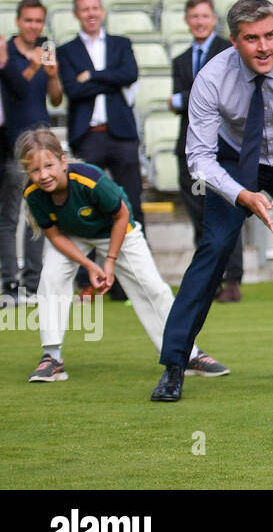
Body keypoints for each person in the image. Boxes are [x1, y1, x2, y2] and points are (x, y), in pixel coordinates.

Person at [152, 0, 273, 402]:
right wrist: (242, 194)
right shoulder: (211, 78)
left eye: (270, 35)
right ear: (234, 42)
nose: (264, 47)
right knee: (215, 249)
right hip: (237, 163)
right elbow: (199, 158)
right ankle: (174, 364)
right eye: (252, 38)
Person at [16, 127, 226, 383]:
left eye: (48, 165)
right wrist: (90, 267)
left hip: (118, 229)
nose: (43, 175)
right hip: (71, 235)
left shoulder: (90, 180)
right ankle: (52, 357)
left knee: (153, 287)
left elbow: (122, 215)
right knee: (50, 276)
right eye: (35, 170)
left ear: (62, 161)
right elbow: (55, 236)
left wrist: (109, 262)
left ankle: (186, 353)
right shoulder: (33, 193)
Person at [56, 0, 145, 233]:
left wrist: (92, 76)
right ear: (77, 14)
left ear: (102, 11)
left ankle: (137, 268)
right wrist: (112, 82)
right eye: (85, 9)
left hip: (122, 135)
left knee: (132, 201)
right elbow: (74, 89)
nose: (91, 14)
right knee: (87, 205)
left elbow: (130, 74)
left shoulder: (121, 43)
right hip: (88, 136)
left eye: (95, 8)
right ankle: (90, 271)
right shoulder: (66, 50)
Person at [170, 0, 239, 302]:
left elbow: (224, 93)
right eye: (193, 16)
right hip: (190, 147)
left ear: (213, 19)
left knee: (228, 211)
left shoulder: (229, 50)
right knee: (200, 216)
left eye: (204, 16)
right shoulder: (180, 60)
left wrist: (182, 98)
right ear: (187, 20)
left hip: (224, 146)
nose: (199, 21)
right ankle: (210, 279)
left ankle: (233, 279)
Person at [1, 0, 62, 305]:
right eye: (28, 20)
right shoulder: (7, 52)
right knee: (10, 215)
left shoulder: (46, 48)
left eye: (38, 21)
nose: (34, 26)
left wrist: (51, 75)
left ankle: (33, 283)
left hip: (43, 142)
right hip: (14, 142)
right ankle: (9, 284)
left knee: (38, 213)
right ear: (18, 21)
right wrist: (34, 65)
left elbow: (57, 100)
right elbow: (16, 92)